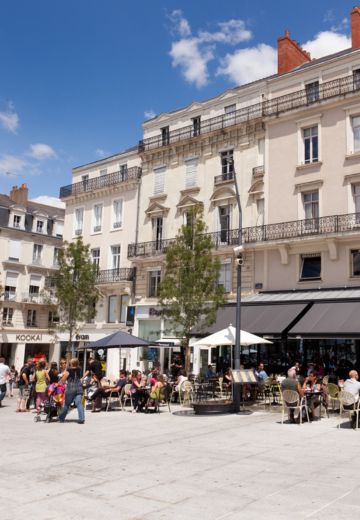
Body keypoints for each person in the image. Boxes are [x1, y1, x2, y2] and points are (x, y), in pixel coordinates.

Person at [58, 358, 85, 424]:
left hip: (70, 388)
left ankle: (61, 418)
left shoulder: (68, 370)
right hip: (79, 388)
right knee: (79, 404)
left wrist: (58, 383)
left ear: (71, 363)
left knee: (67, 404)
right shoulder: (79, 369)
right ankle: (81, 418)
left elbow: (63, 379)